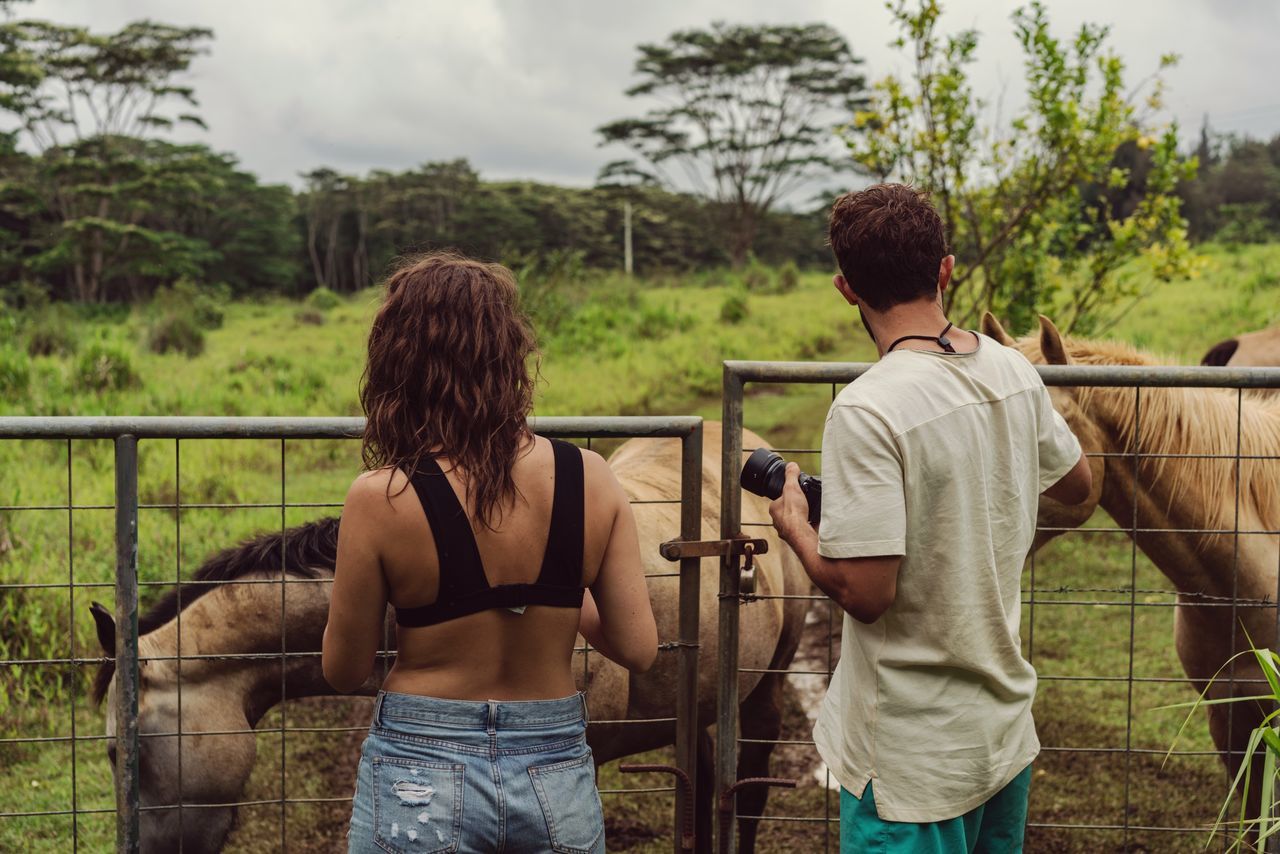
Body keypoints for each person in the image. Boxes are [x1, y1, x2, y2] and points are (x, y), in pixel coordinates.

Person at [768, 184, 1092, 853]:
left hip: (910, 764)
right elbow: (1078, 482)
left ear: (846, 289)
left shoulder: (867, 408)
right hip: (1000, 734)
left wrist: (796, 524)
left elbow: (867, 594)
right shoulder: (1011, 370)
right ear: (945, 269)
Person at [323, 252, 658, 854]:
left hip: (420, 767)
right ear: (511, 357)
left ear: (399, 365)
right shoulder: (592, 477)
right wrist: (547, 595)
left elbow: (344, 670)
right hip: (553, 767)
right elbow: (639, 648)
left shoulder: (378, 499)